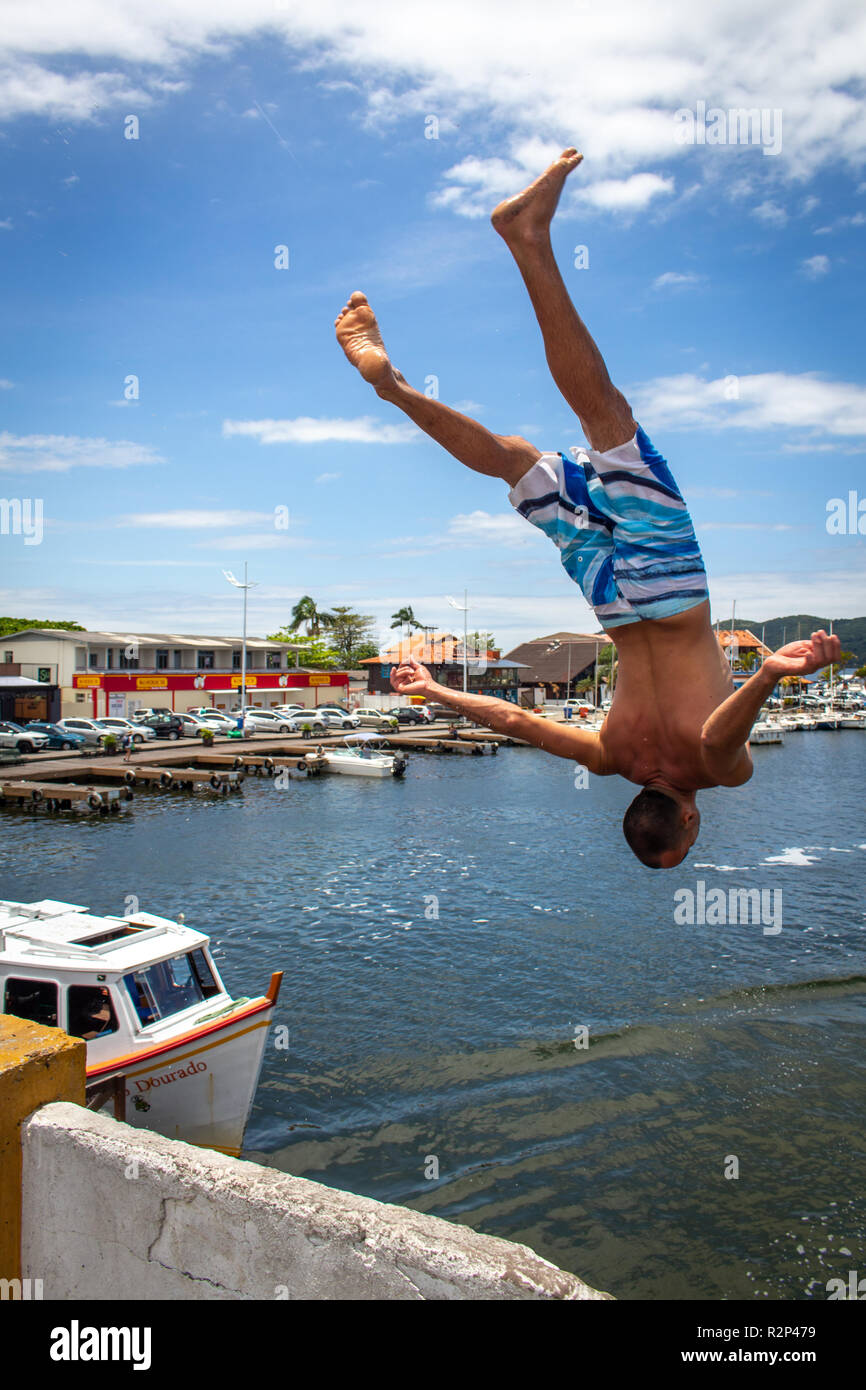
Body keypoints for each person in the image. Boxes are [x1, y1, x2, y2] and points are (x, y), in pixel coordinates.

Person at [335, 149, 840, 868]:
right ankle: (396, 391)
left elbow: (717, 742)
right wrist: (436, 693)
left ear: (691, 825)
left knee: (610, 423)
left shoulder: (716, 775)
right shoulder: (608, 759)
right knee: (516, 462)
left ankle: (528, 240)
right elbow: (512, 718)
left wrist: (767, 675)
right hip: (614, 609)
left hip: (670, 596)